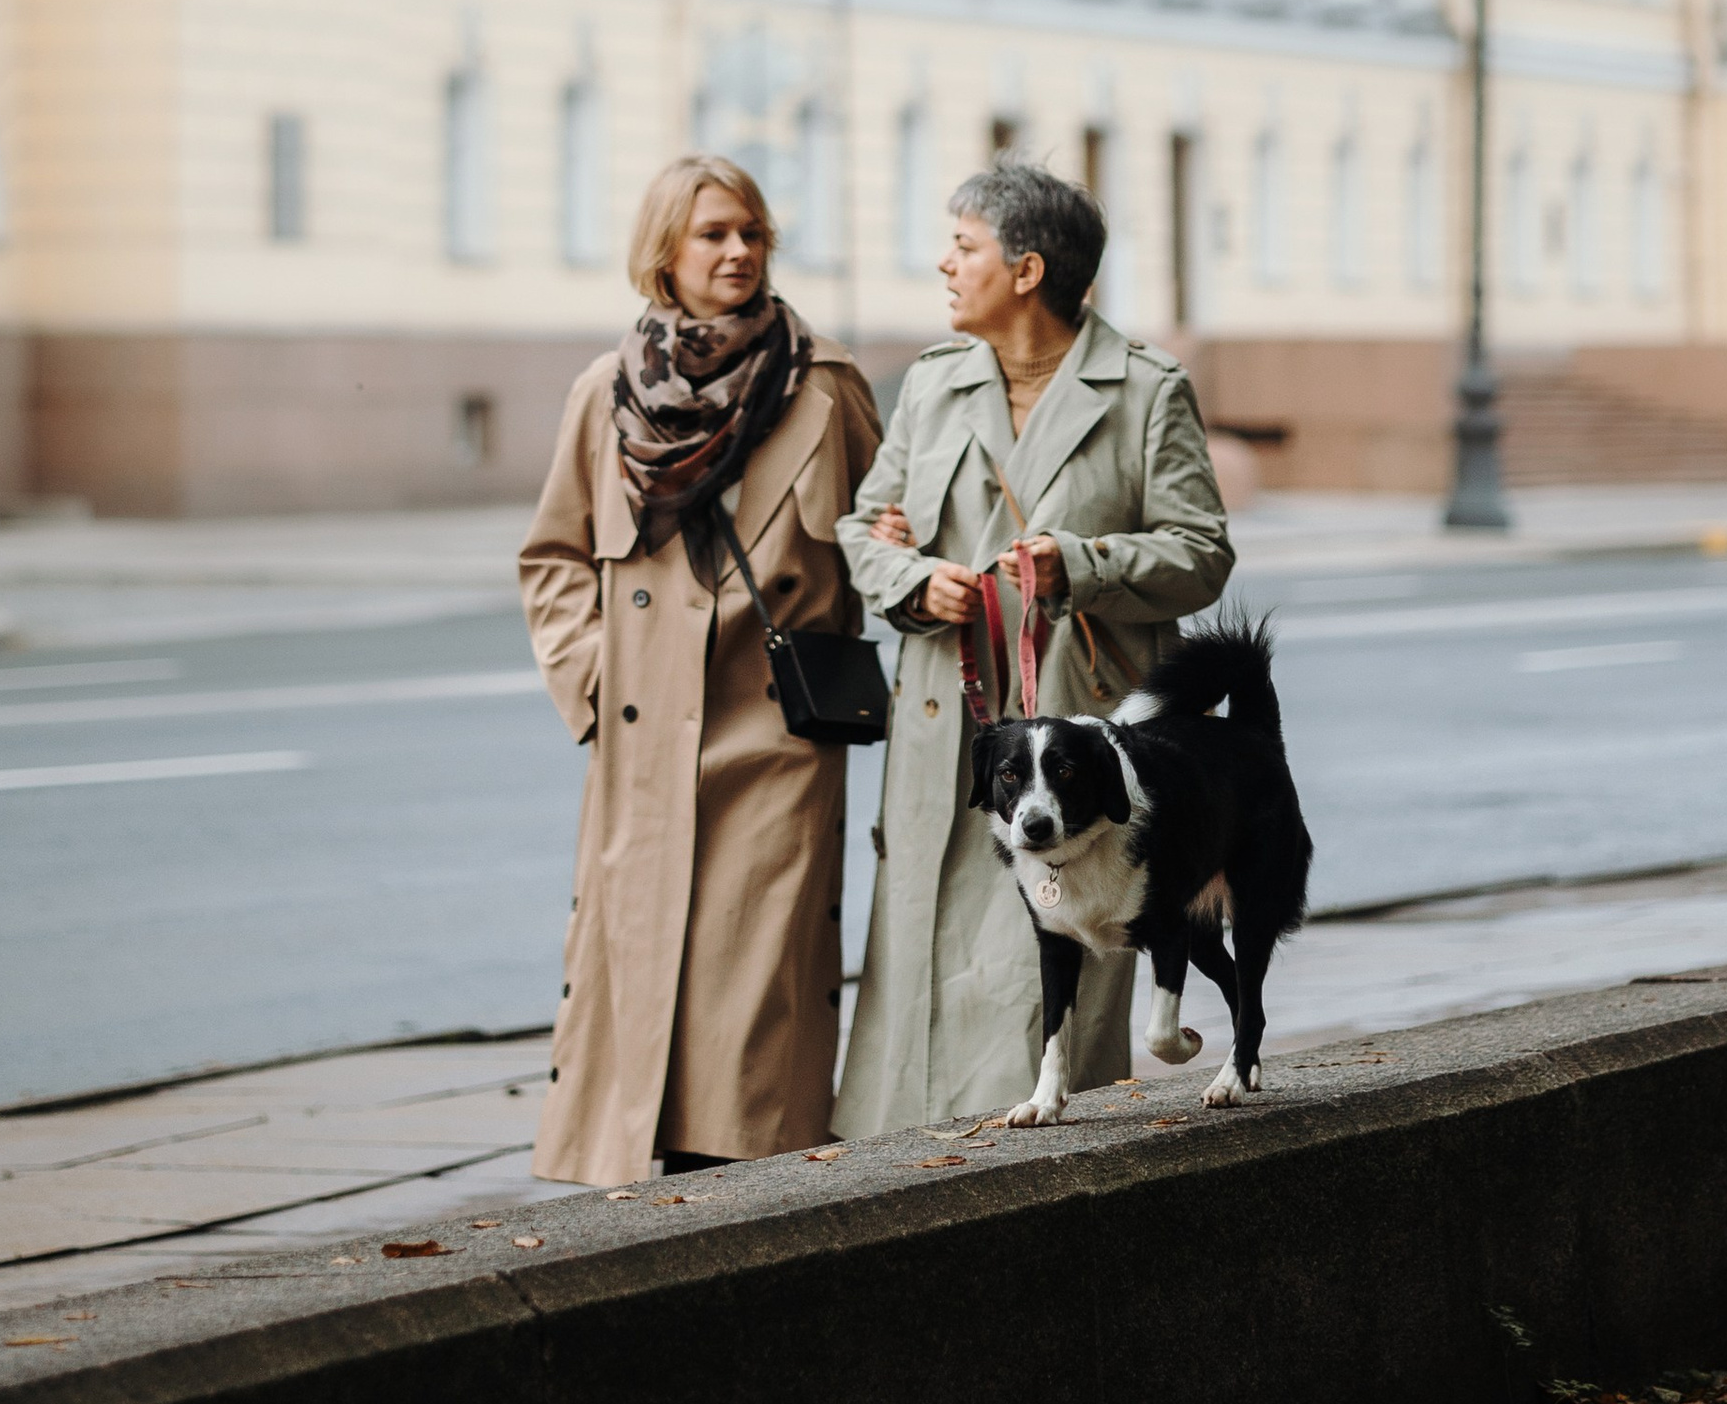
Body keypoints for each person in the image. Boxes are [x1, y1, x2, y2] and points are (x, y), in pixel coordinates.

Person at [832, 158, 1235, 1136]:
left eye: (963, 245)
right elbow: (862, 528)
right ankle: (917, 1178)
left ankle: (1053, 1181)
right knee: (936, 975)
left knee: (1057, 968)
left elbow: (1201, 553)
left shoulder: (1142, 388)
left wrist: (1082, 563)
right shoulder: (931, 386)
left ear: (1025, 269)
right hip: (958, 745)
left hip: (1087, 754)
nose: (944, 262)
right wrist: (912, 580)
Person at [520, 154, 882, 1184]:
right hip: (641, 737)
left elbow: (889, 542)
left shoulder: (824, 388)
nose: (735, 251)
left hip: (775, 739)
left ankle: (743, 1208)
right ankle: (649, 1205)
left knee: (749, 1004)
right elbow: (551, 554)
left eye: (751, 232)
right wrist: (589, 680)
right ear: (664, 253)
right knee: (640, 994)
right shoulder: (606, 392)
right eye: (712, 233)